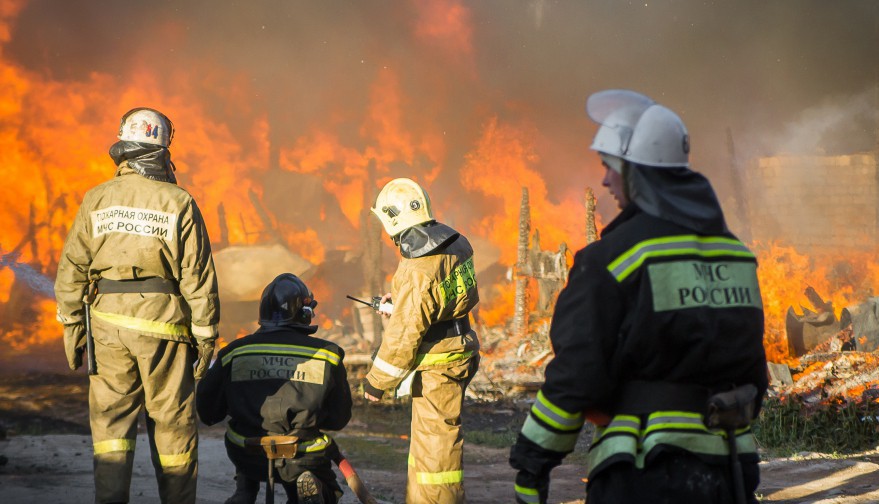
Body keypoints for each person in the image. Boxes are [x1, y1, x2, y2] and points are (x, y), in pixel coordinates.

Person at [509, 89, 768, 504]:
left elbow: (577, 375)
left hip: (645, 473)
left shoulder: (611, 259)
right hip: (732, 474)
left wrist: (532, 463)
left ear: (638, 172)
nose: (605, 180)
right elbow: (755, 375)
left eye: (612, 167)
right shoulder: (736, 254)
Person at [54, 107, 220, 504]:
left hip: (107, 330)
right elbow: (197, 277)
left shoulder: (96, 199)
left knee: (111, 435)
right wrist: (206, 339)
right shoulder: (179, 201)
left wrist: (74, 331)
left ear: (124, 149)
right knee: (173, 429)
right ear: (163, 152)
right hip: (165, 332)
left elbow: (72, 269)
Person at [362, 177, 480, 503]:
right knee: (429, 442)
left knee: (435, 451)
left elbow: (402, 338)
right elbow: (444, 296)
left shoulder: (416, 271)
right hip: (460, 349)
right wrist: (404, 301)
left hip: (437, 366)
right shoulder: (459, 243)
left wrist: (377, 383)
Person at [196, 273, 352, 504]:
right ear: (305, 313)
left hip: (247, 452)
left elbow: (208, 412)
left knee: (248, 444)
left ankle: (244, 492)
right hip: (302, 453)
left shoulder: (234, 352)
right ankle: (306, 489)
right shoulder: (328, 354)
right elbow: (338, 419)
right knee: (320, 485)